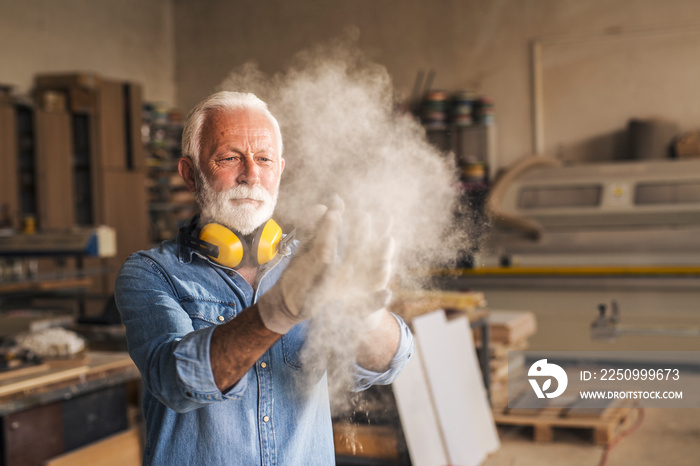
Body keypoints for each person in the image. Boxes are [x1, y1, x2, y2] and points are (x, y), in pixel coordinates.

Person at [114, 91, 414, 465]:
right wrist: (278, 311)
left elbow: (389, 364)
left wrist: (365, 311)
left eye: (264, 159)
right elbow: (175, 383)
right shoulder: (151, 273)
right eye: (229, 158)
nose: (251, 174)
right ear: (190, 174)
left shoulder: (314, 260)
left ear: (280, 171)